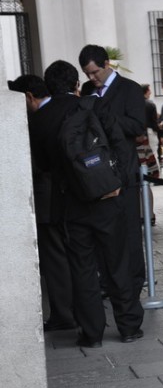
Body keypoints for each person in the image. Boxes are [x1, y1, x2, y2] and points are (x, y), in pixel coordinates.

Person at [51, 59, 145, 347]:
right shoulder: (96, 106)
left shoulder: (44, 118)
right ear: (77, 84)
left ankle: (92, 333)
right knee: (117, 263)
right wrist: (115, 183)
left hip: (73, 204)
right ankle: (129, 327)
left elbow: (45, 165)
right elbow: (120, 145)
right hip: (107, 200)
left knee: (83, 269)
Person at [79, 44, 147, 342]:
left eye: (95, 71)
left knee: (129, 233)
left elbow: (137, 125)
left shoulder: (129, 89)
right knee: (106, 238)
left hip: (124, 171)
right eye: (87, 73)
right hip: (98, 177)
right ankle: (111, 286)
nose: (92, 77)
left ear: (107, 64)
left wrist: (104, 117)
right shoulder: (86, 90)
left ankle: (133, 285)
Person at [8, 74, 75, 331]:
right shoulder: (66, 108)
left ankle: (63, 314)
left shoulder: (36, 121)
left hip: (47, 198)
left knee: (55, 258)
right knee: (70, 255)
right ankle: (75, 310)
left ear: (28, 96)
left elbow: (37, 165)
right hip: (68, 194)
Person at [140, 84, 159, 226]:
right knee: (145, 183)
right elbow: (154, 122)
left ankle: (144, 214)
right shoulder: (150, 104)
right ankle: (149, 214)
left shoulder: (136, 105)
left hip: (140, 139)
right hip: (148, 135)